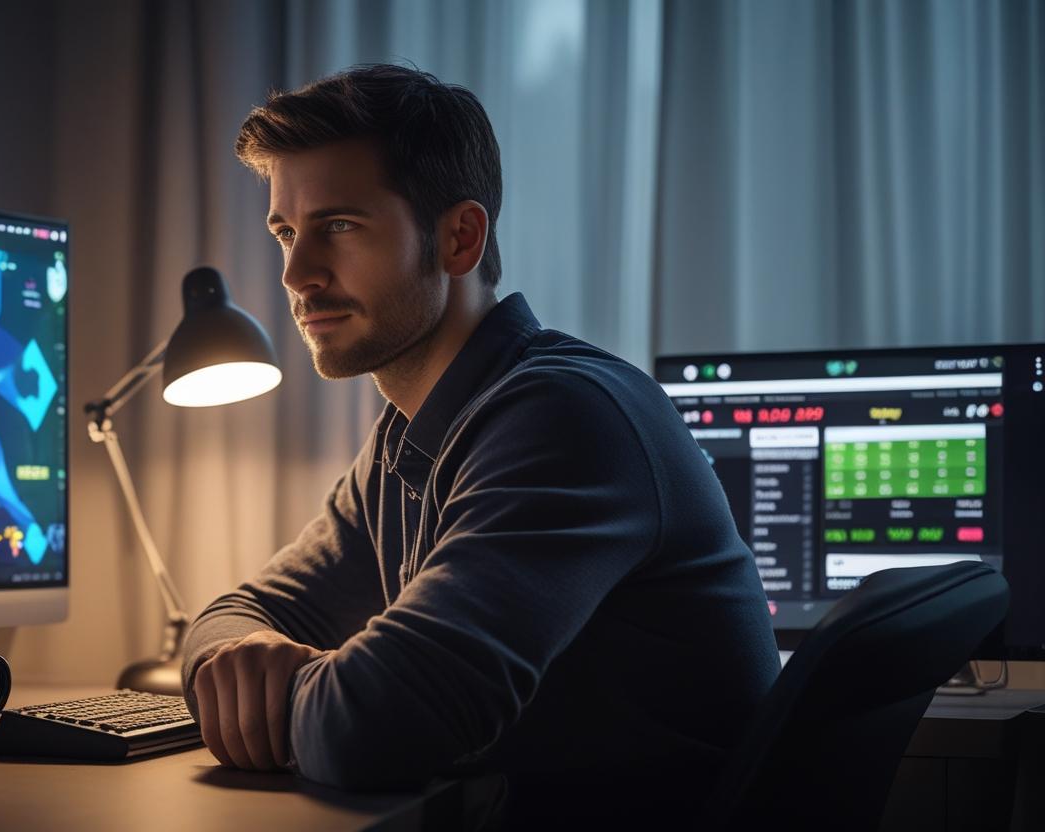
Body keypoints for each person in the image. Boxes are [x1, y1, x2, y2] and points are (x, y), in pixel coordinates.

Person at [181, 64, 779, 825]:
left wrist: (284, 692)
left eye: (338, 227)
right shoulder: (410, 435)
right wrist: (243, 665)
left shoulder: (564, 417)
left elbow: (376, 725)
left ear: (459, 238)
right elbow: (236, 614)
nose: (297, 274)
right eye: (286, 233)